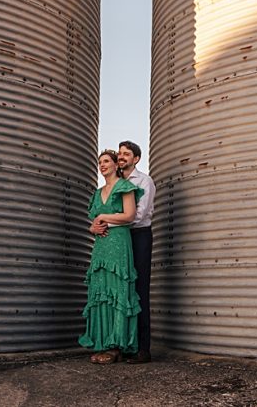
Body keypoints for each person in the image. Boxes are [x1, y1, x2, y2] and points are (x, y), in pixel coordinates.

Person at [92, 140, 155, 363]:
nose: (122, 157)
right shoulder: (118, 182)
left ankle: (143, 349)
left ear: (136, 159)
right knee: (122, 290)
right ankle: (125, 343)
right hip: (118, 237)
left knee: (139, 290)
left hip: (138, 236)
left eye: (127, 154)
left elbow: (136, 216)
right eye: (120, 153)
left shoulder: (143, 181)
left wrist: (106, 223)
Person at [78, 149, 143, 364]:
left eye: (106, 161)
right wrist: (92, 229)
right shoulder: (98, 192)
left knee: (117, 291)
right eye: (99, 162)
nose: (102, 165)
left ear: (116, 164)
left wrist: (104, 216)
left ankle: (117, 346)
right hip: (102, 245)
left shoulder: (125, 187)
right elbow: (93, 223)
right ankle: (104, 343)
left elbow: (130, 215)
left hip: (118, 242)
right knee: (102, 291)